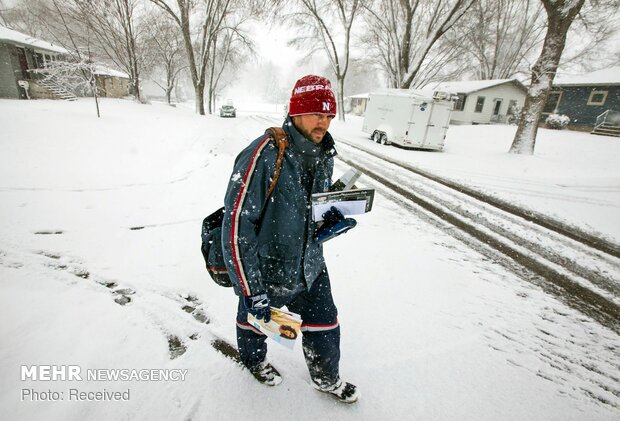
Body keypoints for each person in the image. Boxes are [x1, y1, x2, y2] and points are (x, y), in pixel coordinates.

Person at [221, 75, 360, 404]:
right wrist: (251, 288)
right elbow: (236, 226)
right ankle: (254, 361)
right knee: (257, 320)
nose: (323, 122)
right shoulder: (264, 154)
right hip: (267, 266)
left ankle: (326, 378)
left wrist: (329, 220)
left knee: (325, 322)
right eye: (316, 114)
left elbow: (311, 209)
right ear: (296, 112)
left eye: (328, 116)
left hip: (310, 264)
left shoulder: (324, 153)